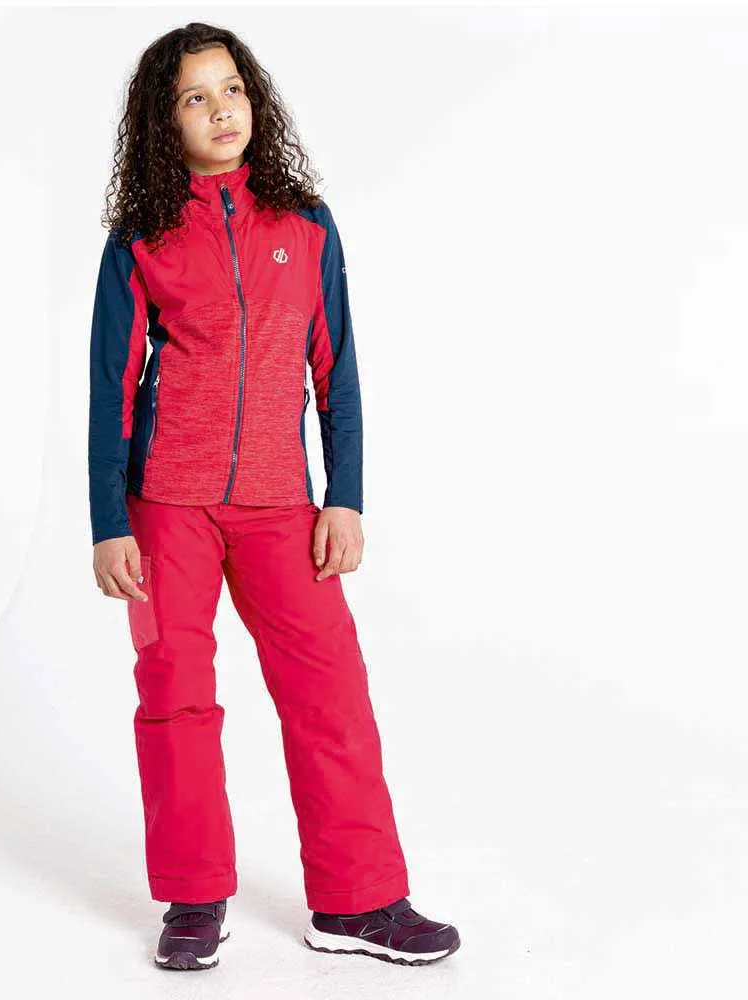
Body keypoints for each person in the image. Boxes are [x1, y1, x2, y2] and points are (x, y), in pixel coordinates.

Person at [88, 21, 460, 971]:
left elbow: (337, 372)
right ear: (164, 121)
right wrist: (108, 521)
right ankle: (193, 898)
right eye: (195, 97)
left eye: (232, 90)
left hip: (282, 503)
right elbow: (110, 386)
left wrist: (347, 496)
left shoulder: (305, 223)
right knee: (176, 697)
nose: (221, 111)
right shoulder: (141, 238)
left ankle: (359, 902)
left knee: (330, 691)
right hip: (166, 505)